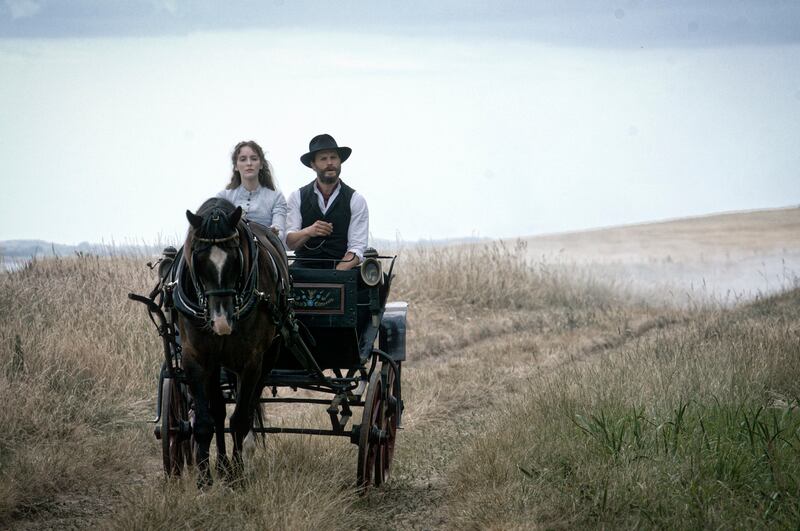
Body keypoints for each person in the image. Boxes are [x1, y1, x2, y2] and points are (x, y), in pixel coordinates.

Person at [286, 134, 368, 270]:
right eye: (323, 159)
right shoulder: (297, 197)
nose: (330, 163)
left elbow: (357, 248)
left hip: (341, 269)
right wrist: (309, 231)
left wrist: (335, 274)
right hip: (303, 270)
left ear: (340, 161)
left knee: (377, 283)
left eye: (333, 157)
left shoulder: (356, 200)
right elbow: (290, 243)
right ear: (313, 165)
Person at [216, 140, 287, 242]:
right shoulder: (223, 197)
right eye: (243, 159)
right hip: (234, 252)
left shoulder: (276, 197)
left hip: (265, 251)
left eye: (254, 159)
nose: (249, 163)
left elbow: (279, 234)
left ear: (261, 164)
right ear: (236, 166)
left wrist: (273, 231)